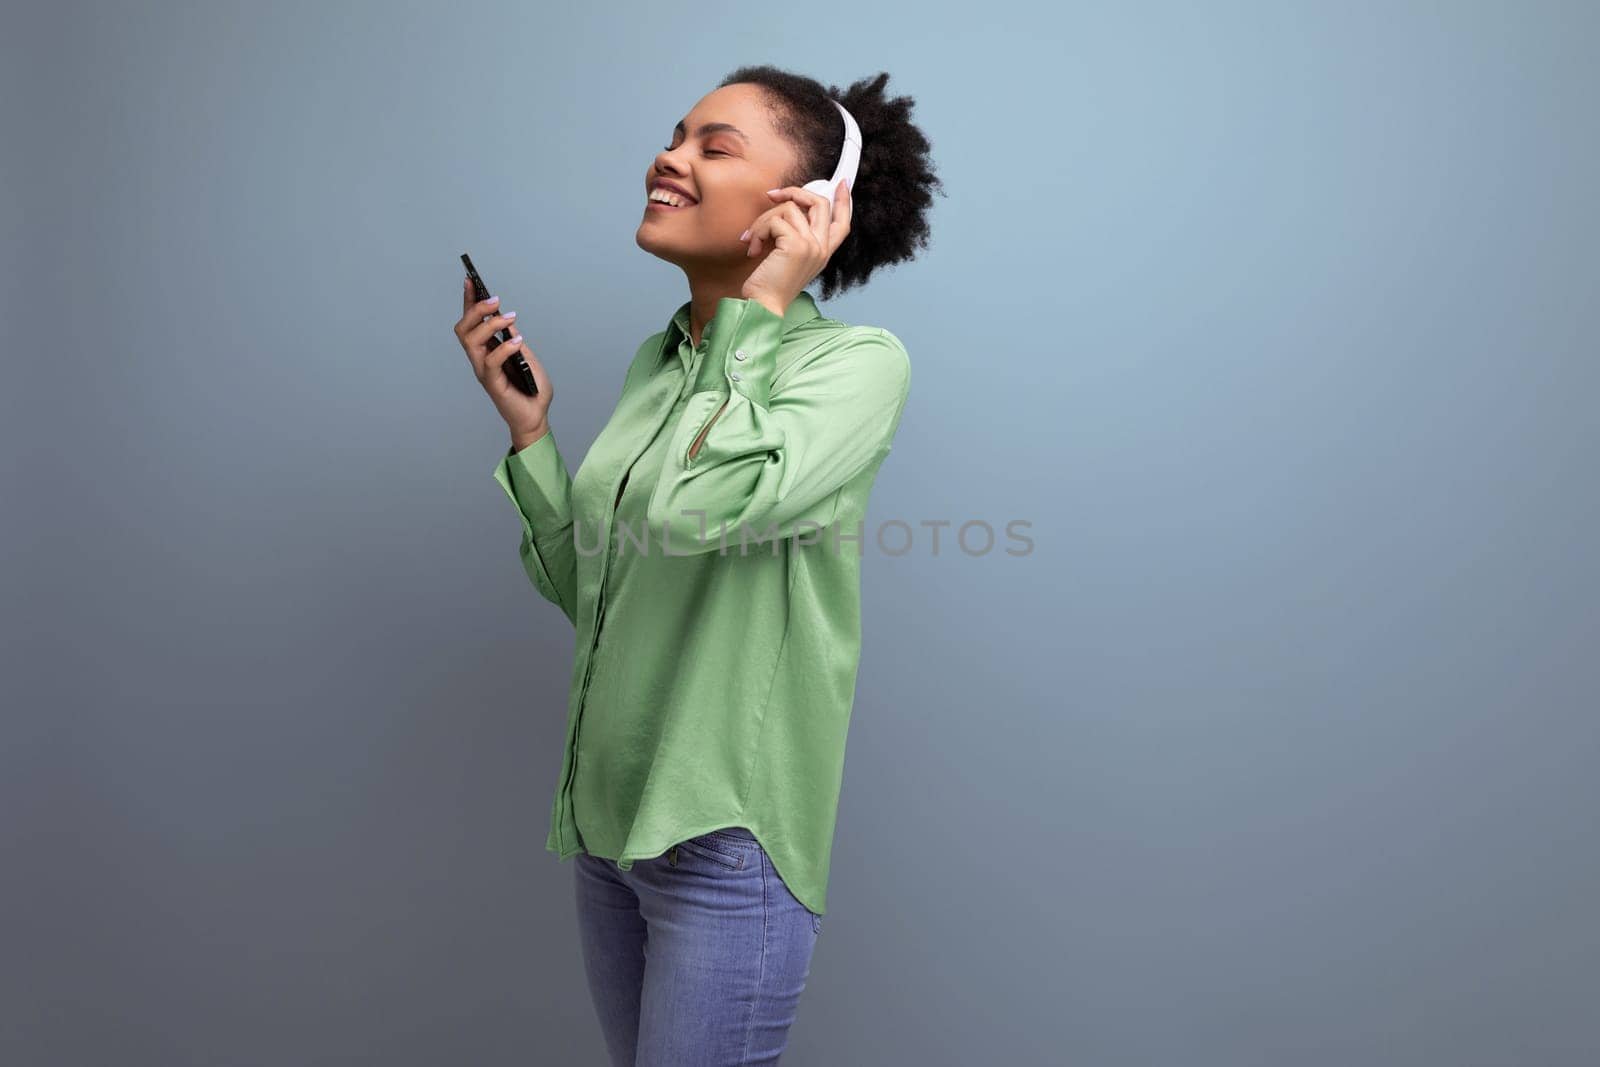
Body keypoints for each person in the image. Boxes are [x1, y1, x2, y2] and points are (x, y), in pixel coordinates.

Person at [453, 65, 943, 1066]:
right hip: (608, 837)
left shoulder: (854, 367)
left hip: (723, 844)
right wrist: (533, 435)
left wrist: (762, 307)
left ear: (810, 207)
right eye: (676, 135)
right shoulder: (659, 361)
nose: (668, 158)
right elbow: (594, 589)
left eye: (714, 147)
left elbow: (692, 514)